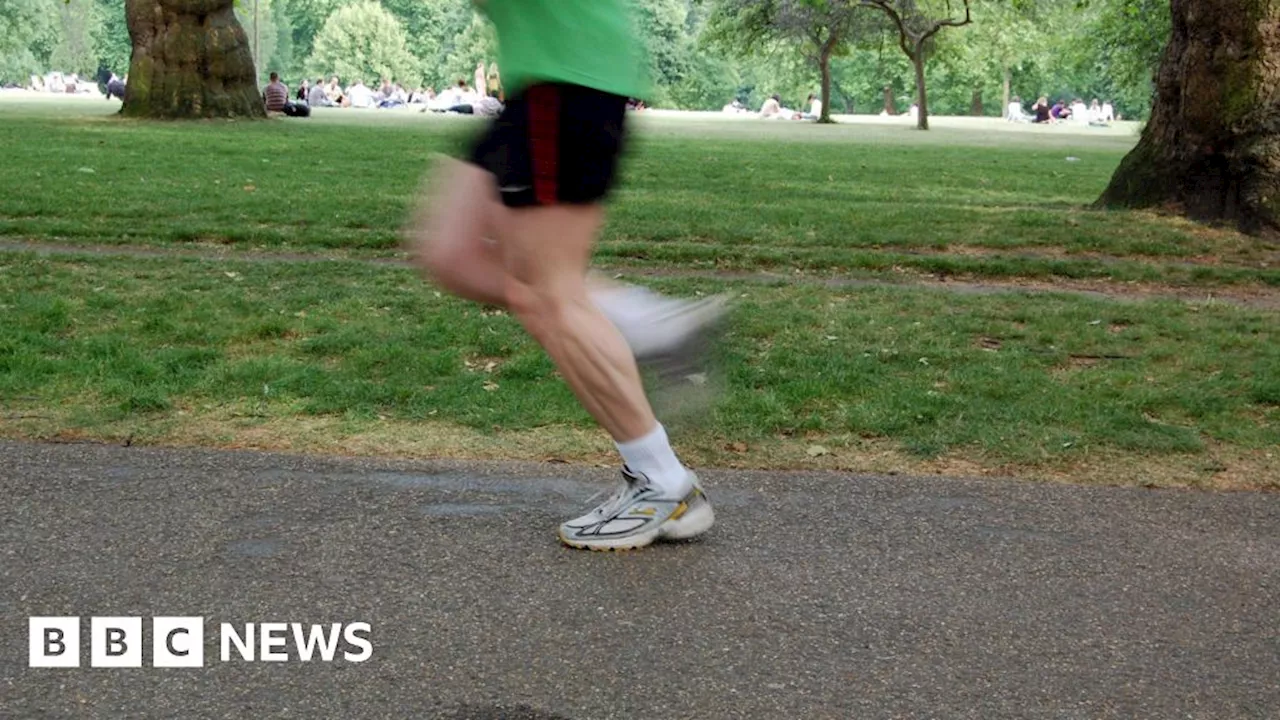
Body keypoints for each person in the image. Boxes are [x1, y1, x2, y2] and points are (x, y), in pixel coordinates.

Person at [406, 0, 724, 551]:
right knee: (450, 253)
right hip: (544, 81)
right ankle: (650, 323)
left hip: (568, 77)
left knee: (546, 293)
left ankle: (662, 482)